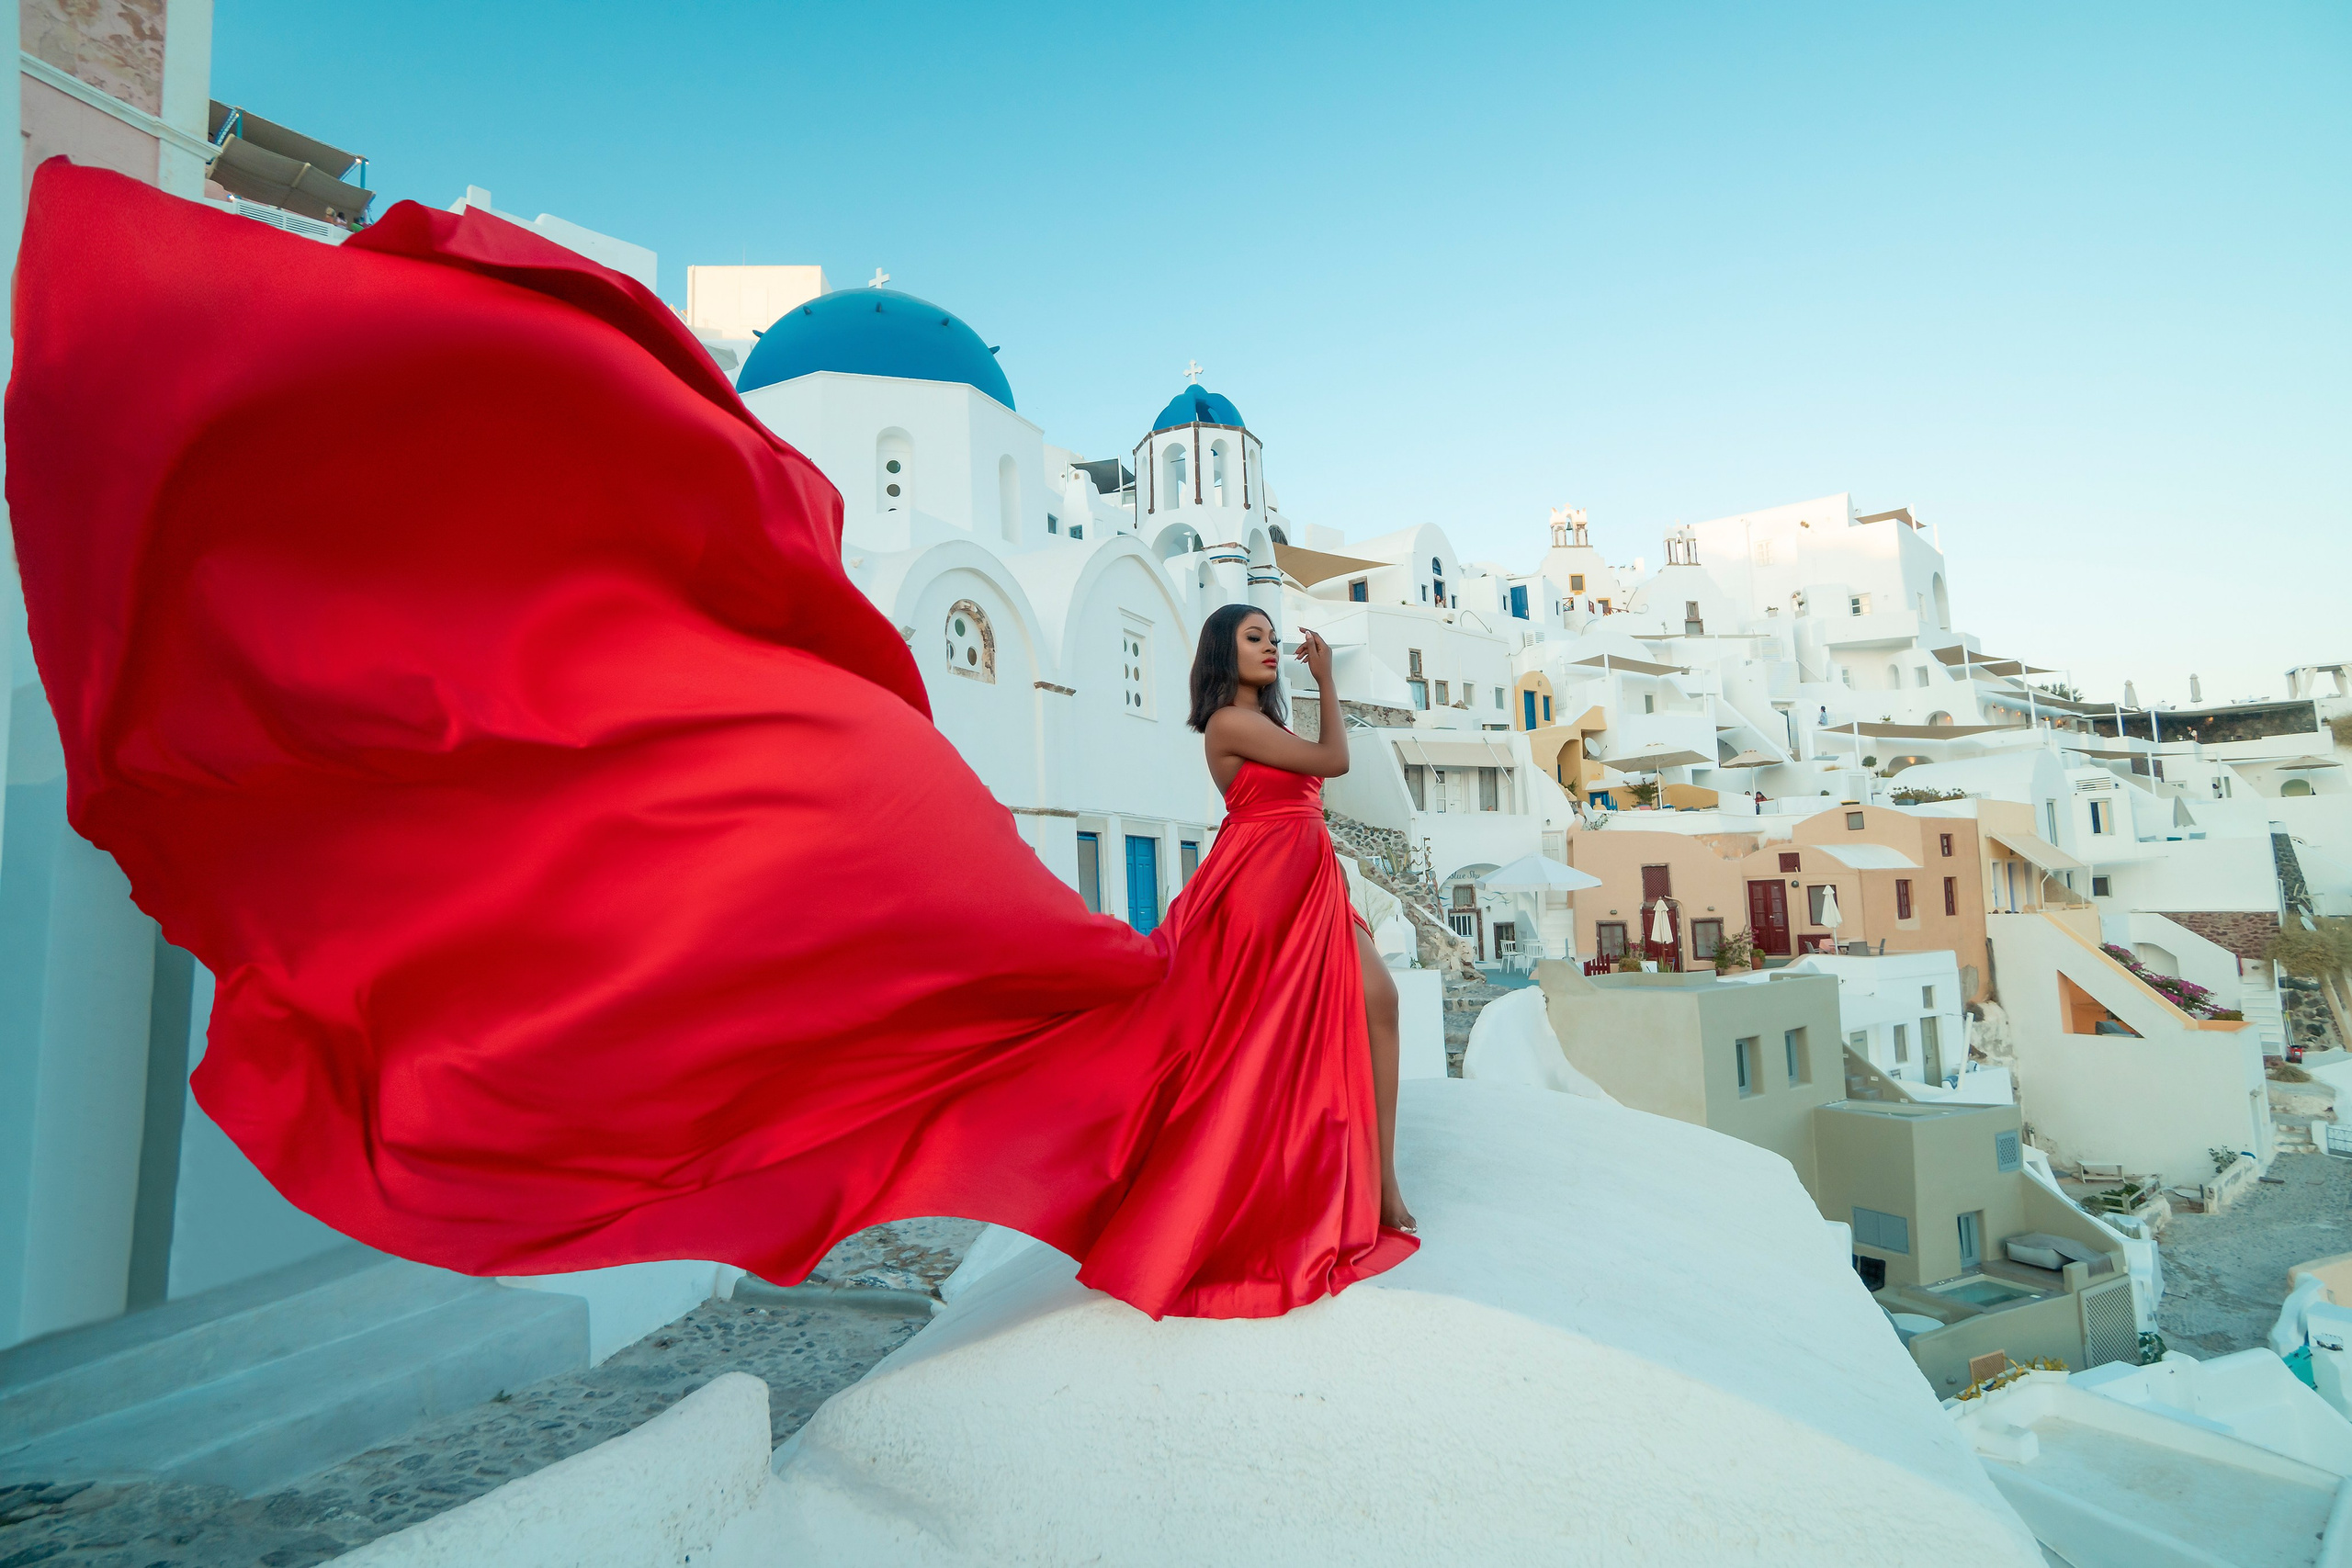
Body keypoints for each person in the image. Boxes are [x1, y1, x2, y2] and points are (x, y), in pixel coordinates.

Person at [6, 160, 1417, 1325]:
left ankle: (1341, 1184)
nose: (1245, 646)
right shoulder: (1144, 708)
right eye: (1233, 639)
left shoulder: (967, 680)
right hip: (1224, 873)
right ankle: (1309, 1191)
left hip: (1234, 869)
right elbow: (1312, 772)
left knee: (1249, 1022)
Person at [1188, 604, 1414, 1233]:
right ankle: (1297, 1186)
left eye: (1273, 638)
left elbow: (1319, 780)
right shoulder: (1228, 722)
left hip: (1316, 881)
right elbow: (1334, 760)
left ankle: (1383, 1178)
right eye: (1253, 637)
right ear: (1221, 652)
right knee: (1275, 1041)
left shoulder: (1265, 722)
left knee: (1381, 999)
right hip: (1265, 890)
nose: (1269, 647)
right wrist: (1328, 681)